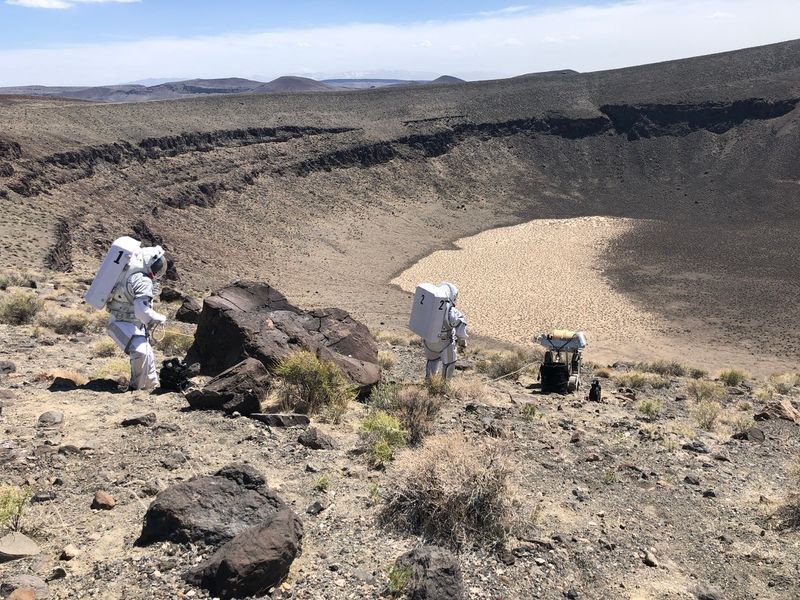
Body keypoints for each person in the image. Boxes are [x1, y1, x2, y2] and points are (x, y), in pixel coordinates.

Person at [105, 246, 168, 390]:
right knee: (141, 352)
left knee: (148, 357)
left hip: (126, 323)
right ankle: (136, 389)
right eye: (156, 267)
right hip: (122, 323)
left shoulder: (130, 274)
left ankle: (150, 388)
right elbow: (142, 311)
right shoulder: (142, 280)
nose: (157, 270)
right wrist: (159, 318)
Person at [424, 281, 468, 381]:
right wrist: (462, 340)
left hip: (428, 341)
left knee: (432, 360)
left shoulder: (429, 306)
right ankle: (444, 384)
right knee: (450, 363)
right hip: (445, 342)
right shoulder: (450, 311)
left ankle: (429, 381)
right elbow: (460, 325)